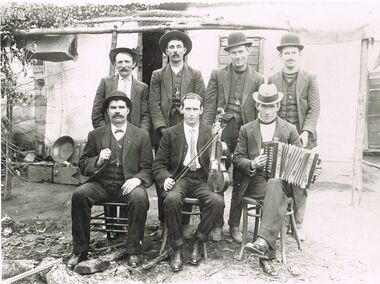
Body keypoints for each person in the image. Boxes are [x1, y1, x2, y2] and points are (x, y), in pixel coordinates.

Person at [231, 84, 320, 276]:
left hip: (281, 182)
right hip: (255, 181)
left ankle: (263, 244)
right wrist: (253, 163)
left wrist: (313, 168)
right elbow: (237, 158)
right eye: (264, 106)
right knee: (273, 195)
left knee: (275, 185)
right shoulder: (246, 129)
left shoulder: (289, 129)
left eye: (272, 106)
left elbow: (302, 159)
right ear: (257, 106)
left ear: (278, 106)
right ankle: (266, 253)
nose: (268, 110)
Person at [68, 91, 153, 269]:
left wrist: (137, 179)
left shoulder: (141, 135)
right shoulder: (96, 134)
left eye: (121, 107)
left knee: (139, 198)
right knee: (79, 195)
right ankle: (80, 250)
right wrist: (98, 160)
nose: (117, 111)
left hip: (127, 185)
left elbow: (148, 168)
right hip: (101, 185)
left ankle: (133, 251)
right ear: (107, 112)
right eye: (113, 107)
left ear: (128, 110)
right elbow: (83, 164)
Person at [202, 31, 264, 242]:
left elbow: (257, 112)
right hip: (222, 133)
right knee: (218, 177)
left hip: (245, 134)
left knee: (241, 180)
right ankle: (216, 223)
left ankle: (234, 224)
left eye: (241, 52)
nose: (238, 56)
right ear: (229, 54)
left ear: (248, 51)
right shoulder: (217, 75)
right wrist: (210, 129)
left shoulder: (258, 78)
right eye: (234, 52)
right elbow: (209, 104)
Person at [153, 93, 224, 272]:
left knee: (217, 201)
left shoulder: (210, 131)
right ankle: (176, 247)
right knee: (171, 199)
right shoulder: (170, 133)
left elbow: (224, 160)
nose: (191, 113)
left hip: (202, 179)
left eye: (195, 109)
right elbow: (158, 164)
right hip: (180, 178)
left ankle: (198, 242)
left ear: (201, 111)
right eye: (188, 109)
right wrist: (165, 178)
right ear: (182, 110)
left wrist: (219, 141)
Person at [150, 30, 206, 236]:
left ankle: (183, 221)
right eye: (171, 47)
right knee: (164, 172)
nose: (175, 51)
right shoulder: (157, 75)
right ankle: (165, 221)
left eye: (178, 47)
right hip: (165, 129)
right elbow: (154, 103)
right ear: (166, 51)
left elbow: (202, 102)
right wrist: (162, 129)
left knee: (187, 169)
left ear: (185, 50)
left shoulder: (195, 74)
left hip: (188, 125)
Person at [268, 32, 320, 240]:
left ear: (299, 55)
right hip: (281, 135)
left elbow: (314, 108)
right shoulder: (272, 79)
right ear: (281, 56)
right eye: (286, 52)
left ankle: (298, 223)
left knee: (300, 180)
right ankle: (281, 221)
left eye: (294, 52)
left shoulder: (310, 78)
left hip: (302, 135)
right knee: (279, 178)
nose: (290, 56)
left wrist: (306, 131)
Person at [91, 47, 150, 133]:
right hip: (109, 133)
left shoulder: (142, 87)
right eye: (120, 62)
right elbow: (97, 113)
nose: (123, 66)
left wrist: (140, 136)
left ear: (133, 64)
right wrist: (105, 134)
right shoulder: (105, 83)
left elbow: (146, 116)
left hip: (134, 135)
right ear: (115, 65)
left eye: (127, 62)